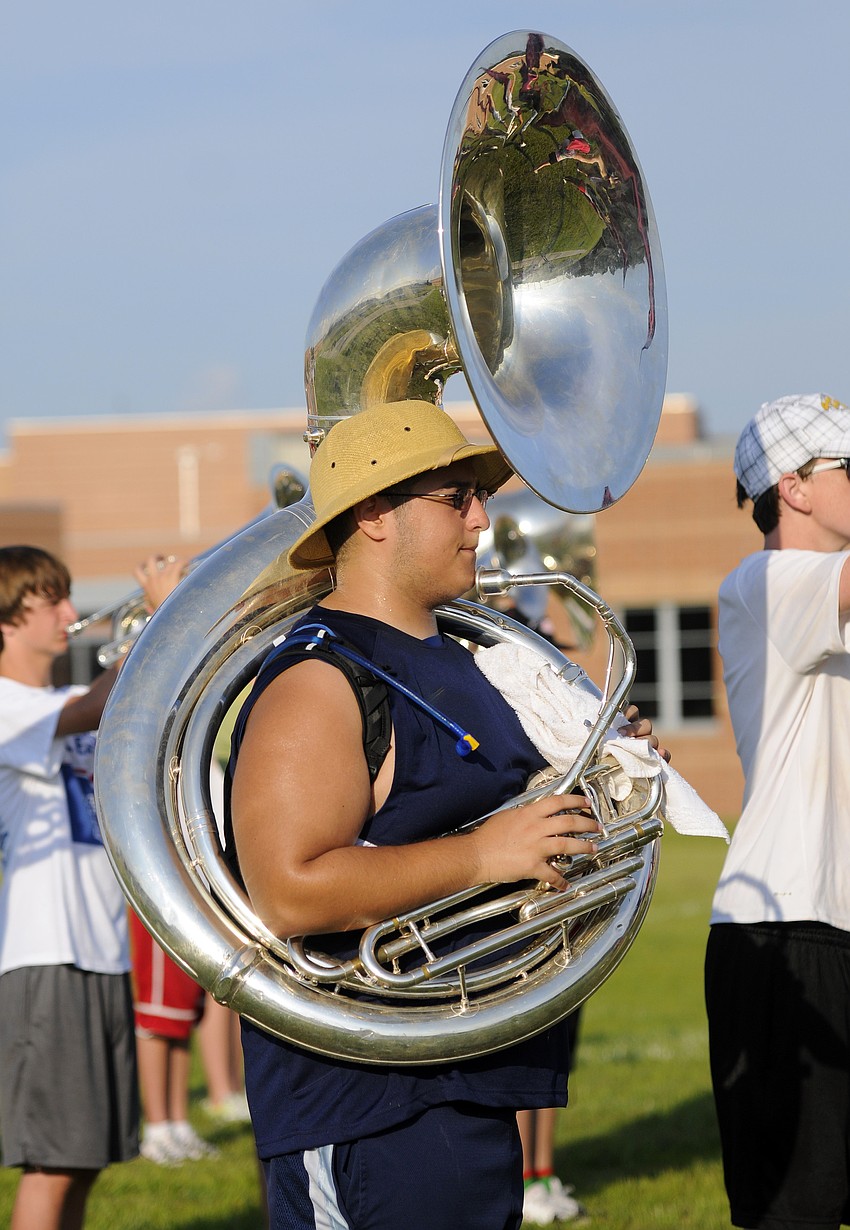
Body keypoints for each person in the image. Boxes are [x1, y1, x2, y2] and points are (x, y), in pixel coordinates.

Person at [226, 399, 664, 1230]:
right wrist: (481, 857)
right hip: (366, 1104)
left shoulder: (465, 658)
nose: (481, 517)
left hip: (469, 1071)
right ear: (374, 514)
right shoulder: (319, 682)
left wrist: (605, 778)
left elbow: (516, 821)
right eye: (455, 496)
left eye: (478, 495)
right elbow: (289, 891)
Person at [0, 546, 182, 1230]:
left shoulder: (55, 699)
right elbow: (95, 707)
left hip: (101, 954)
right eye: (50, 603)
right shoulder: (6, 706)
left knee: (82, 1162)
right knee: (50, 1165)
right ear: (6, 624)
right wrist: (162, 617)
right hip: (46, 955)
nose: (71, 616)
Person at [705, 393, 850, 1230]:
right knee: (794, 1212)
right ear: (791, 488)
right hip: (787, 936)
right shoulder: (765, 581)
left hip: (826, 925)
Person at [130, 913, 218, 1164]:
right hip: (160, 909)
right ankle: (157, 1129)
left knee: (183, 1015)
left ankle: (178, 1123)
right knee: (158, 1014)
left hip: (190, 910)